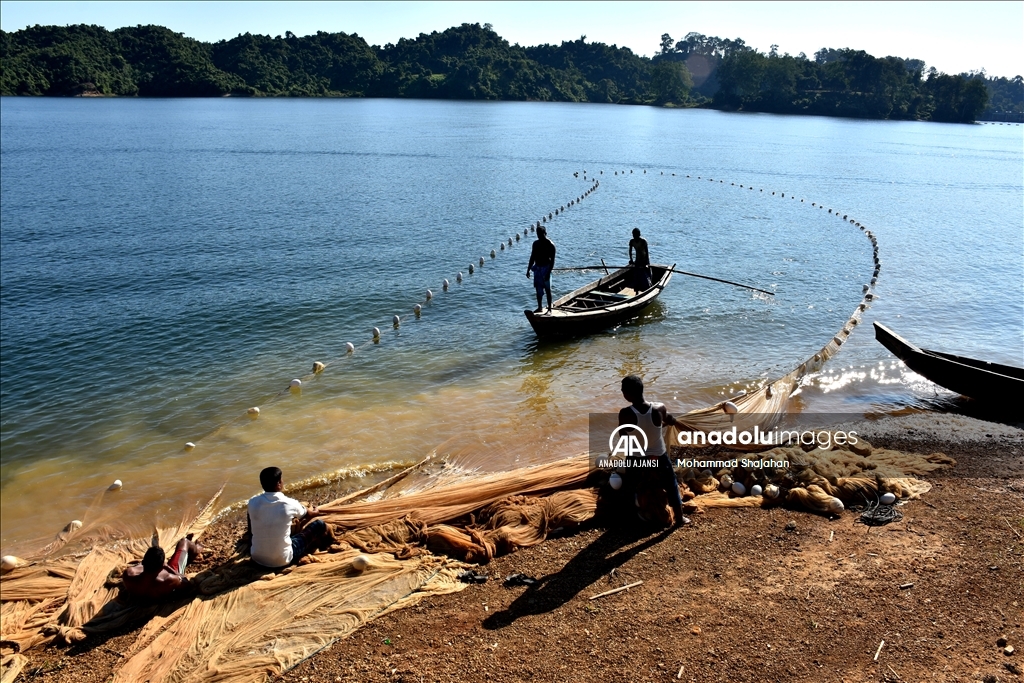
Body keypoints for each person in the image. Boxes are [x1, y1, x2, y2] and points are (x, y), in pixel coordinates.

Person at [617, 375, 689, 527]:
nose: (622, 393)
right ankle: (680, 518)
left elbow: (623, 436)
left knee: (630, 485)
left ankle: (630, 520)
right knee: (671, 483)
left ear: (629, 394)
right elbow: (670, 420)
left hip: (637, 458)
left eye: (623, 391)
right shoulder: (659, 408)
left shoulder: (625, 413)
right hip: (659, 456)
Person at [247, 466, 327, 568]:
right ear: (279, 483)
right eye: (281, 479)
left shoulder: (252, 502)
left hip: (257, 557)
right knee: (319, 524)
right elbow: (309, 514)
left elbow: (251, 529)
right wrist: (316, 510)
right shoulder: (289, 503)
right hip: (283, 559)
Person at [122, 535, 202, 600]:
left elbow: (142, 566)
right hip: (166, 578)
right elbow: (186, 583)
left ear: (143, 562)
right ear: (162, 567)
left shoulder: (128, 574)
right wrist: (168, 567)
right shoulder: (168, 579)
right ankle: (198, 547)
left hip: (141, 597)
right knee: (184, 542)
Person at [526, 226, 556, 312]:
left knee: (547, 289)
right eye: (538, 234)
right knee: (538, 289)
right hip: (537, 268)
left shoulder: (550, 245)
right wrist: (528, 270)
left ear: (545, 233)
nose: (539, 236)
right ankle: (540, 307)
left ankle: (549, 308)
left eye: (541, 234)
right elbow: (532, 257)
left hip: (546, 268)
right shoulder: (535, 244)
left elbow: (552, 261)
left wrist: (548, 272)